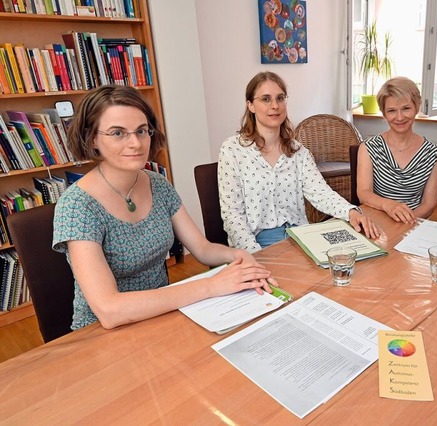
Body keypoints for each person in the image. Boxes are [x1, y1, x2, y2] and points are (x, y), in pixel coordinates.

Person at [53, 85, 276, 331]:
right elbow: (110, 310)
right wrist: (211, 285)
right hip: (103, 333)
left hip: (162, 315)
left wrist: (238, 255)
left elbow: (202, 248)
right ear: (92, 138)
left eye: (141, 130)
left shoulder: (157, 183)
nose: (135, 143)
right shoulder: (77, 206)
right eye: (118, 133)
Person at [218, 71, 379, 252]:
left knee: (347, 262)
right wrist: (254, 256)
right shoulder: (232, 150)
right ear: (251, 105)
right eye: (265, 99)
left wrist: (350, 212)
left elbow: (321, 193)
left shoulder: (298, 152)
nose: (275, 106)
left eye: (280, 98)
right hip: (256, 242)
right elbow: (233, 216)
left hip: (300, 237)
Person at [356, 77, 437, 224]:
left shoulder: (432, 153)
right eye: (391, 111)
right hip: (377, 220)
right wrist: (389, 206)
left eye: (406, 108)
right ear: (384, 113)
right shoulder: (368, 148)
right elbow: (364, 193)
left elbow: (429, 204)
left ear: (417, 107)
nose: (400, 117)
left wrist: (406, 222)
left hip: (414, 222)